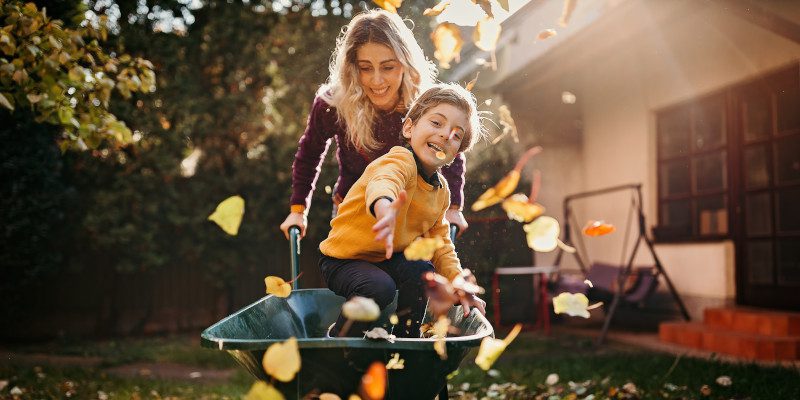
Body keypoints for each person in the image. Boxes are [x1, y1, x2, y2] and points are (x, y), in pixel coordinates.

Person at [279, 9, 470, 241]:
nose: (377, 80)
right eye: (366, 68)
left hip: (410, 213)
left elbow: (448, 148)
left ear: (405, 64)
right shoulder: (334, 105)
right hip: (352, 211)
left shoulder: (425, 105)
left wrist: (454, 207)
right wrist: (298, 210)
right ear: (352, 67)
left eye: (388, 67)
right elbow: (309, 154)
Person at [318, 83, 486, 338]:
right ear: (409, 128)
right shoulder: (399, 160)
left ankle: (408, 339)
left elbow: (440, 244)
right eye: (436, 123)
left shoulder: (440, 192)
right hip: (343, 260)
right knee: (379, 287)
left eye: (456, 134)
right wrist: (384, 207)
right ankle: (341, 338)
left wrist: (459, 284)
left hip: (385, 259)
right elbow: (385, 181)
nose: (445, 135)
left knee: (423, 272)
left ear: (456, 154)